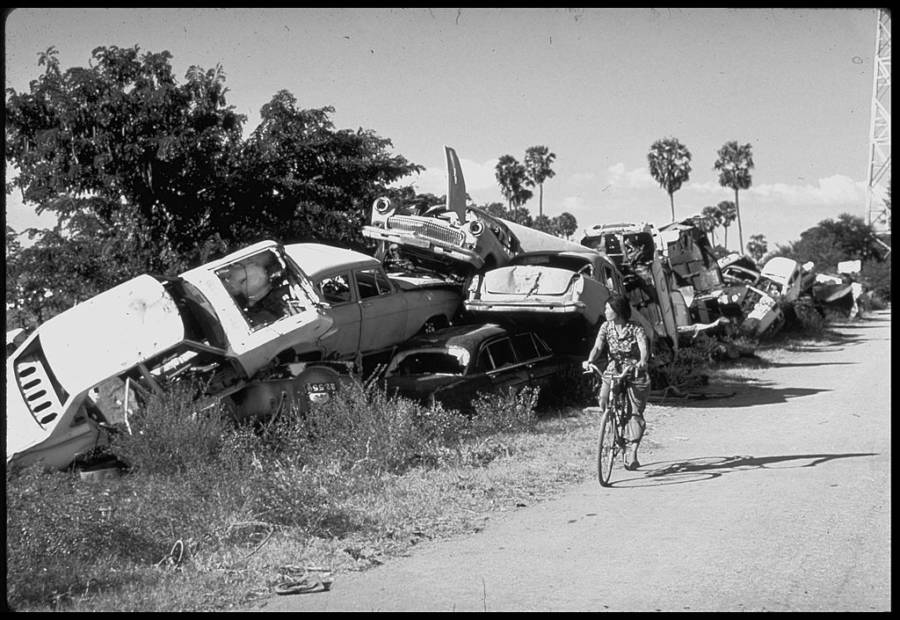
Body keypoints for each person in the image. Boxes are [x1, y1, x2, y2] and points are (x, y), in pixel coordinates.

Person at [582, 293, 651, 470]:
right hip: (614, 368)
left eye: (608, 309)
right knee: (603, 399)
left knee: (635, 412)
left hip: (634, 370)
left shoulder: (635, 328)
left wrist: (643, 360)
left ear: (618, 311)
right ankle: (612, 423)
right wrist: (590, 360)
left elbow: (643, 347)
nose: (605, 311)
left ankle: (632, 451)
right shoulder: (606, 327)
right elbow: (597, 346)